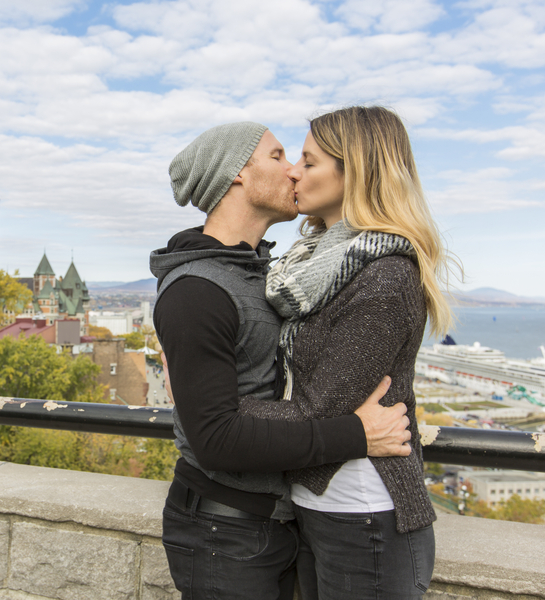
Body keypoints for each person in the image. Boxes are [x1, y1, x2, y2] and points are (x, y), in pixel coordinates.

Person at [150, 122, 415, 600]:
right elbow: (213, 437)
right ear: (236, 175)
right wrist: (356, 433)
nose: (293, 171)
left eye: (301, 160)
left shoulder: (267, 277)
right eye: (277, 157)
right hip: (223, 531)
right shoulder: (198, 290)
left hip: (276, 522)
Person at [242, 106, 452, 599]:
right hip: (320, 506)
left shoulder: (385, 276)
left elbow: (323, 410)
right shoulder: (315, 265)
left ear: (353, 170)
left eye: (309, 162)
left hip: (365, 513)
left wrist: (218, 412)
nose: (294, 170)